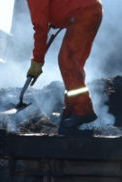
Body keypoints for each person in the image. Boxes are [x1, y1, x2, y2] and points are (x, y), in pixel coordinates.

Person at [26, 0, 104, 134]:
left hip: (83, 13)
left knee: (66, 60)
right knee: (75, 66)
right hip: (93, 10)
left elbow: (40, 27)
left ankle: (83, 110)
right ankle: (71, 111)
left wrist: (37, 62)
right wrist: (56, 20)